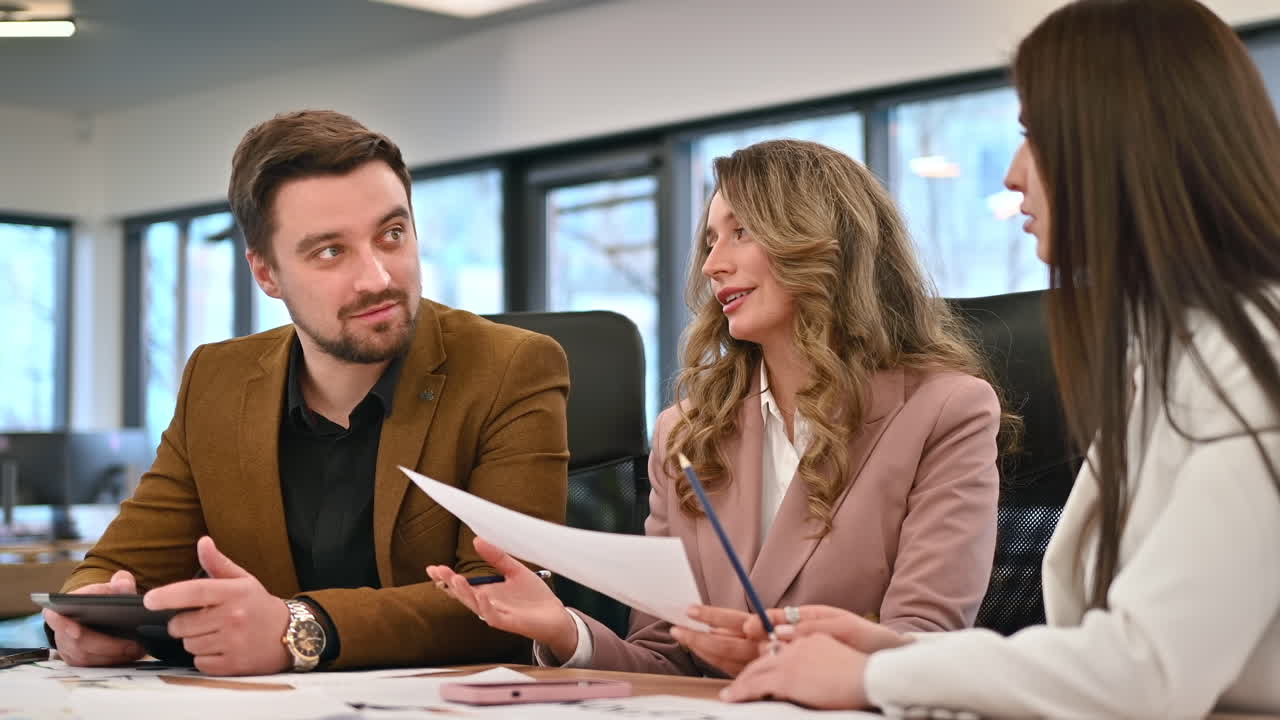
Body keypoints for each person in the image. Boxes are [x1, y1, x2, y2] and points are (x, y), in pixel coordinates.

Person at [722, 1, 1280, 716]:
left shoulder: (1254, 356)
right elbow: (1099, 648)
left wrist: (870, 680)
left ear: (1116, 142)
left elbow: (1149, 670)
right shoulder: (1169, 357)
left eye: (1033, 136)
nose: (1014, 175)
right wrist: (894, 655)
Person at [429, 139, 1011, 677]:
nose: (712, 265)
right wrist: (566, 628)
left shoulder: (945, 410)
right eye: (711, 240)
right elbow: (666, 660)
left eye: (741, 233)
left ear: (819, 239)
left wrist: (785, 652)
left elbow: (927, 642)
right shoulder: (686, 434)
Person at [43, 110, 570, 675]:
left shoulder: (511, 367)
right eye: (329, 252)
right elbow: (115, 567)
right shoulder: (216, 381)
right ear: (266, 273)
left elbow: (502, 599)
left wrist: (297, 628)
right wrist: (89, 619)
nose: (377, 278)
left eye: (392, 235)